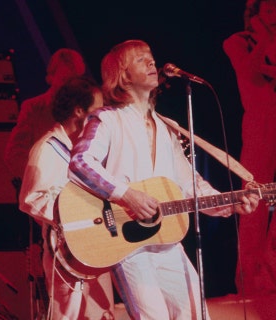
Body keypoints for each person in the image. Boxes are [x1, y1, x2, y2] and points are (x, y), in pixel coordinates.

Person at [68, 39, 260, 318]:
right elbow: (80, 162)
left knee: (195, 314)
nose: (151, 63)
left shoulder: (167, 127)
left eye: (151, 57)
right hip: (127, 244)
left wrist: (230, 203)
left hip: (167, 242)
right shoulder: (107, 119)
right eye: (140, 59)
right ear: (123, 76)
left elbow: (190, 185)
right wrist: (127, 194)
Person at [223, 0, 276, 294]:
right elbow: (248, 72)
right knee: (255, 198)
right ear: (256, 13)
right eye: (270, 9)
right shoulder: (237, 41)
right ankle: (248, 277)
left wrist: (271, 63)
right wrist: (266, 40)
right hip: (260, 120)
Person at [19, 76, 114, 319]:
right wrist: (73, 216)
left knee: (102, 314)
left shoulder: (87, 151)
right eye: (97, 110)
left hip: (96, 245)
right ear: (79, 111)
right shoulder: (47, 149)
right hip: (65, 253)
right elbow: (30, 199)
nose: (101, 117)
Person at [5, 48, 86, 185]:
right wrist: (39, 179)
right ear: (51, 77)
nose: (68, 87)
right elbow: (15, 153)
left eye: (73, 80)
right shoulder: (34, 107)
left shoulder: (85, 108)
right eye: (64, 79)